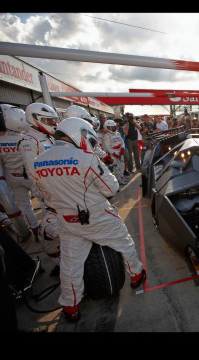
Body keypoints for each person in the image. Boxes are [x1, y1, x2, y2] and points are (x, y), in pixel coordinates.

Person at [31, 117, 146, 322]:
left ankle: (71, 307)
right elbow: (111, 188)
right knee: (125, 244)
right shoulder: (86, 158)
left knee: (70, 266)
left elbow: (45, 197)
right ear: (80, 133)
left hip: (67, 220)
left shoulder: (38, 162)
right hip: (98, 216)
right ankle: (136, 276)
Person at [18, 103, 60, 232]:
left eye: (53, 120)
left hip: (58, 188)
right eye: (49, 120)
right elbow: (32, 173)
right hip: (48, 194)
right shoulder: (29, 141)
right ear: (35, 118)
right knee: (53, 226)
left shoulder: (48, 137)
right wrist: (44, 196)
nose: (53, 123)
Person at [0, 104, 39, 241]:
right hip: (31, 177)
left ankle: (34, 231)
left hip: (12, 178)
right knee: (46, 203)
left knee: (24, 207)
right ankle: (49, 230)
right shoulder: (28, 138)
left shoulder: (1, 140)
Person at [102, 120, 127, 185]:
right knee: (116, 168)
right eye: (110, 127)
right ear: (107, 127)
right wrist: (114, 154)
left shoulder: (118, 133)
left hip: (120, 153)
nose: (112, 129)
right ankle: (119, 180)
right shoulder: (107, 136)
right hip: (113, 154)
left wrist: (122, 149)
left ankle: (122, 177)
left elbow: (122, 142)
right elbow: (108, 147)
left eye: (113, 127)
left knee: (122, 165)